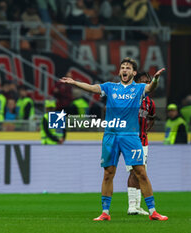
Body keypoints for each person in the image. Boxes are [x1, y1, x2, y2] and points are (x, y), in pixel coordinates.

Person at [61, 57, 168, 221]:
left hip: (131, 136)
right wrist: (75, 83)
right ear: (119, 72)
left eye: (128, 68)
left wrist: (156, 79)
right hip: (111, 135)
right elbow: (92, 88)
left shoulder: (138, 88)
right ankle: (105, 212)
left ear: (133, 72)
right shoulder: (110, 87)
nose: (124, 70)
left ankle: (153, 211)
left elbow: (151, 87)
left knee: (141, 173)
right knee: (108, 173)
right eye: (122, 67)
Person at [126, 72, 155, 215]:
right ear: (136, 83)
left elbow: (152, 117)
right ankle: (131, 205)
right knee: (134, 171)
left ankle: (137, 206)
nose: (146, 84)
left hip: (143, 141)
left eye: (148, 82)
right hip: (130, 140)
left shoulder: (150, 102)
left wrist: (146, 130)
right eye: (143, 82)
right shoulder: (129, 98)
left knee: (141, 172)